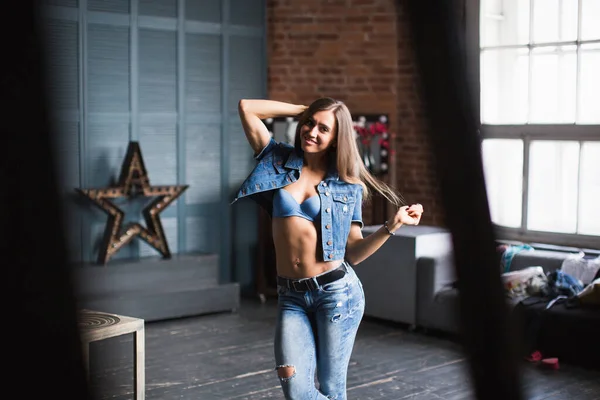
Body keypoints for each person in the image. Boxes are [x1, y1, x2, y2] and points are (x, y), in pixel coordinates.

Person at [232, 97, 424, 399]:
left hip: (336, 294)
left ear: (336, 138)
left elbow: (355, 252)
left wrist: (393, 225)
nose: (312, 131)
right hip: (291, 295)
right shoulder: (277, 159)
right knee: (296, 391)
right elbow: (247, 108)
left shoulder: (346, 186)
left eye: (324, 128)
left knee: (333, 389)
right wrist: (303, 111)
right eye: (310, 123)